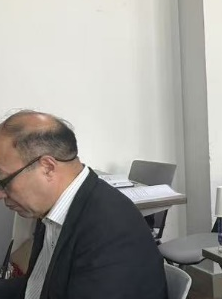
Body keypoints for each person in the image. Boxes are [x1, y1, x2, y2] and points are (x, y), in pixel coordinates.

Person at [0, 111, 168, 299]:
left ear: (47, 168)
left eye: (3, 180)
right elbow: (38, 285)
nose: (1, 194)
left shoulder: (110, 232)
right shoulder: (52, 208)